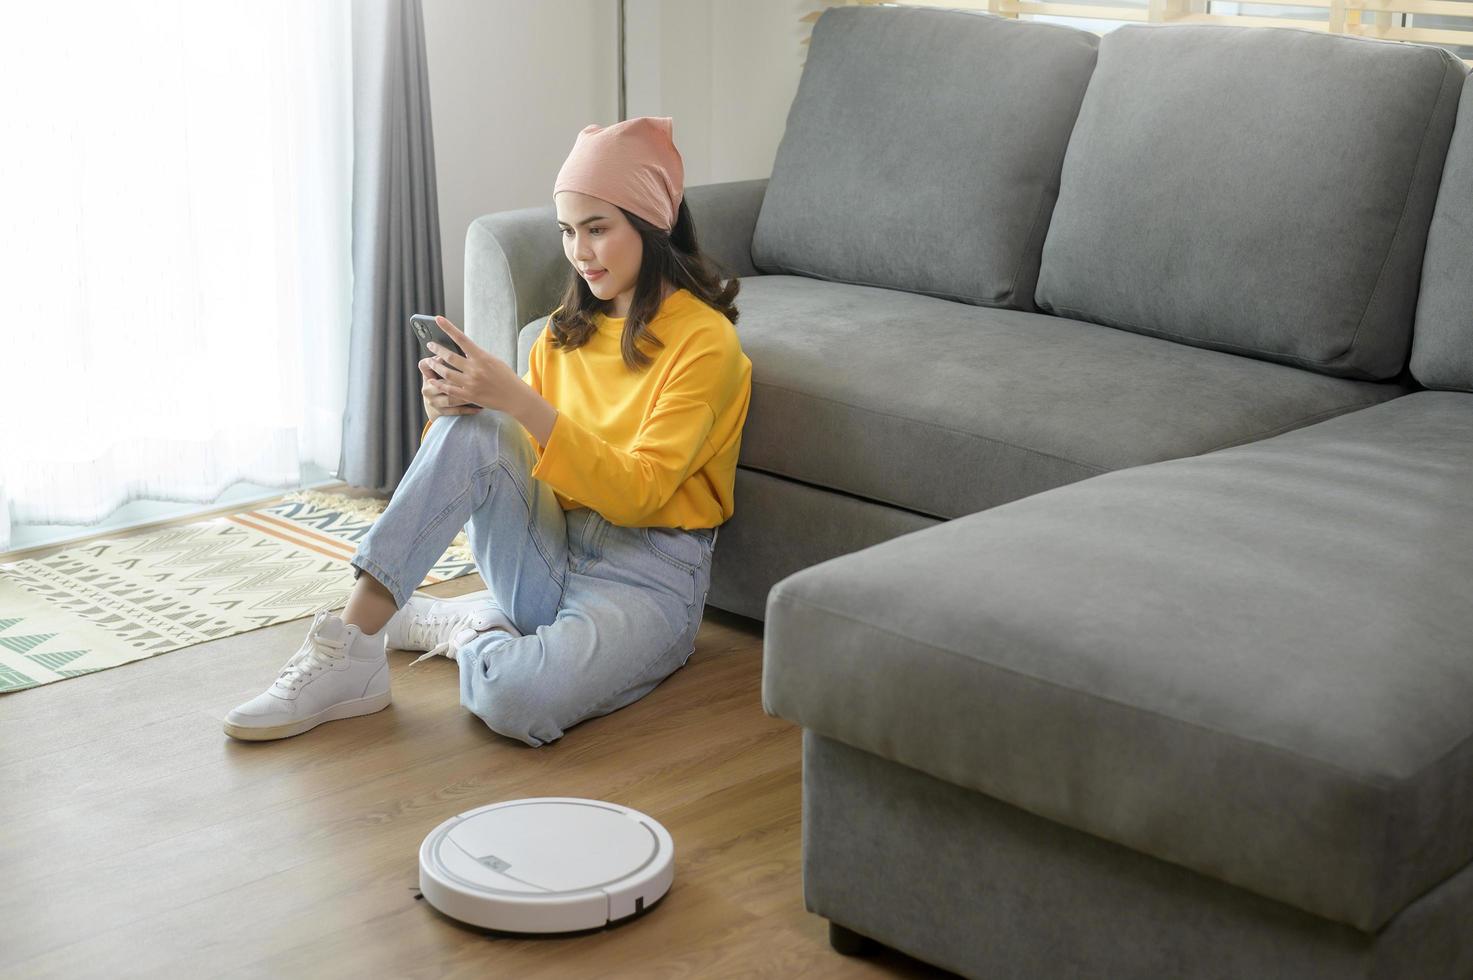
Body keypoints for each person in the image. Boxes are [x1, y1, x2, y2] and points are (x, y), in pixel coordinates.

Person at [224, 116, 752, 747]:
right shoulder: (563, 332)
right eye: (567, 232)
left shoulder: (705, 343)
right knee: (477, 431)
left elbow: (641, 491)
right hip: (550, 549)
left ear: (650, 223)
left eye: (597, 229)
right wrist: (454, 413)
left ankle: (469, 627)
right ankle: (349, 648)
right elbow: (514, 463)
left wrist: (520, 401)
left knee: (512, 697)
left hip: (647, 578)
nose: (579, 252)